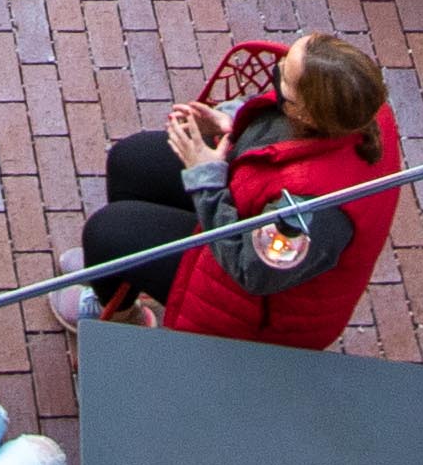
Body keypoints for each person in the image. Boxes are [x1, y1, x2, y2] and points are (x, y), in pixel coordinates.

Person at [55, 33, 403, 350]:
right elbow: (278, 129)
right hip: (251, 199)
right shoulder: (358, 106)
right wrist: (234, 124)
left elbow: (250, 269)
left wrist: (203, 174)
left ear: (308, 111)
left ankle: (120, 314)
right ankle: (118, 280)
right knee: (131, 162)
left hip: (254, 307)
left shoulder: (310, 213)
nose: (277, 72)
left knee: (108, 234)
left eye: (284, 79)